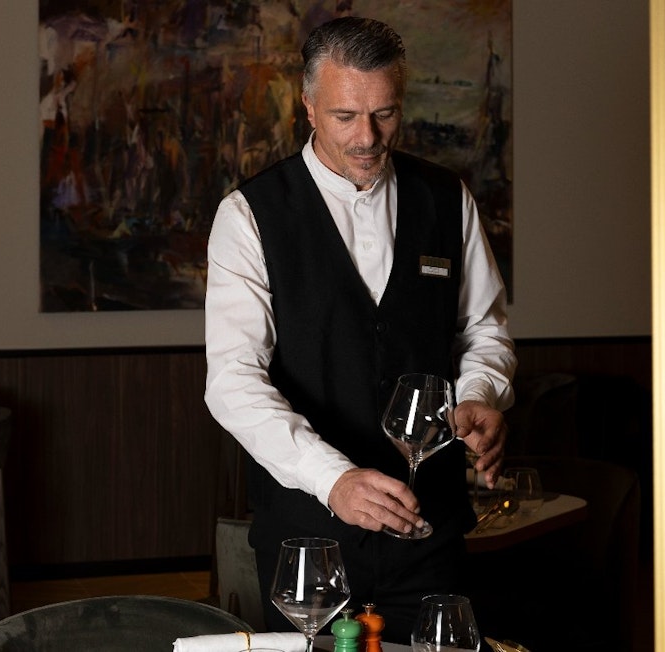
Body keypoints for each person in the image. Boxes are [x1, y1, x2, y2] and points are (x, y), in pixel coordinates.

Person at [204, 16, 516, 642]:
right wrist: (334, 479)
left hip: (430, 531)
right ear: (309, 106)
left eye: (386, 114)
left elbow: (485, 329)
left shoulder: (447, 199)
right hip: (308, 545)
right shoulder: (249, 216)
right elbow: (232, 382)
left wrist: (482, 392)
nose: (368, 137)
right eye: (346, 116)